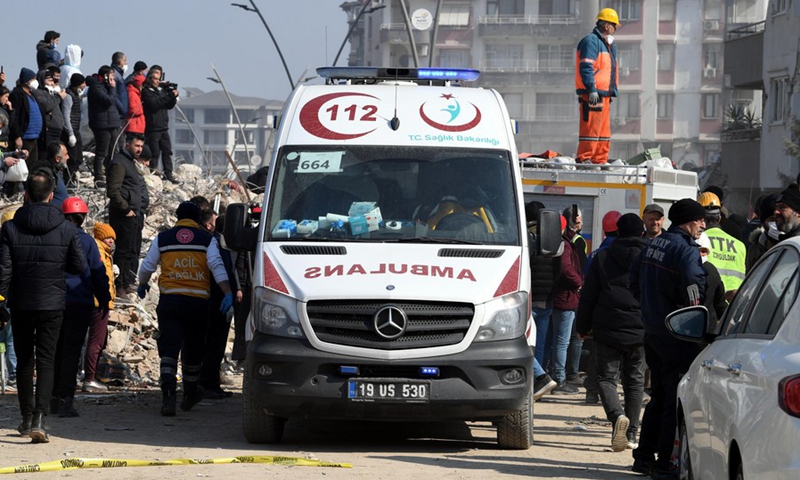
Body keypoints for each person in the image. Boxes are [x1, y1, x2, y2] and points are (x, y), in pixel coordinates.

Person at [0, 170, 87, 443]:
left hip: (22, 303)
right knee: (47, 360)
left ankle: (26, 419)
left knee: (25, 360)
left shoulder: (10, 227)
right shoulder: (67, 227)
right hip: (52, 303)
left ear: (25, 194)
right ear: (52, 195)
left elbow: (3, 270)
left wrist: (0, 302)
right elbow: (80, 266)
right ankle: (40, 418)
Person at [630, 198, 707, 479]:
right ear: (688, 221)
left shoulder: (655, 244)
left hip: (653, 331)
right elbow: (694, 290)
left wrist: (651, 310)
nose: (703, 225)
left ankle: (643, 457)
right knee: (673, 401)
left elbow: (633, 280)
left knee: (659, 397)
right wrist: (692, 319)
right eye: (700, 220)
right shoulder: (685, 251)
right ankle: (664, 462)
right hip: (677, 335)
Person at [137, 201, 233, 416]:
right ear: (198, 218)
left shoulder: (163, 238)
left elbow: (147, 267)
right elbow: (217, 267)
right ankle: (190, 392)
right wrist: (227, 292)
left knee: (169, 351)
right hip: (198, 304)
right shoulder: (207, 240)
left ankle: (168, 396)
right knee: (194, 350)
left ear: (177, 217)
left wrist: (142, 283)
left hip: (170, 302)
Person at [576, 213, 647, 452]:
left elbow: (588, 295)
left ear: (616, 232)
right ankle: (633, 433)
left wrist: (582, 327)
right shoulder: (650, 257)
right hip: (640, 328)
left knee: (607, 378)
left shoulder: (602, 257)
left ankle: (617, 417)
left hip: (608, 328)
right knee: (635, 381)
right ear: (641, 233)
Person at [53, 197, 111, 417]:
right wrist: (104, 299)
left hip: (54, 302)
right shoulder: (87, 242)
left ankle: (50, 399)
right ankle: (65, 402)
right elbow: (98, 272)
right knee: (70, 353)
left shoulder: (54, 237)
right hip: (80, 304)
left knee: (53, 352)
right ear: (83, 217)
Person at [199, 213, 240, 399]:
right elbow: (224, 269)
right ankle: (207, 384)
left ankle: (211, 383)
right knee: (214, 343)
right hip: (216, 299)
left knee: (215, 343)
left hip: (217, 299)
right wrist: (229, 292)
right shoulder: (218, 243)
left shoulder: (220, 242)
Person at [575, 8, 620, 165]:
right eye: (615, 26)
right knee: (591, 130)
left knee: (603, 132)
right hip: (593, 95)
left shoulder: (607, 45)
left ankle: (599, 160)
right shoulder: (591, 42)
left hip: (604, 95)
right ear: (607, 26)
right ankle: (585, 158)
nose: (615, 30)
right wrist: (592, 89)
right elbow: (586, 67)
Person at [525, 201, 559, 400]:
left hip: (529, 298)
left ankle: (538, 378)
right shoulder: (553, 238)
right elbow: (559, 271)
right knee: (540, 343)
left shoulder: (523, 236)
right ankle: (538, 382)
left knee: (523, 341)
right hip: (547, 299)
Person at [547, 214, 583, 394]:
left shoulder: (553, 242)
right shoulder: (565, 244)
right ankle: (559, 380)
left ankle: (552, 377)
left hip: (558, 297)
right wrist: (579, 283)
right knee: (562, 342)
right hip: (565, 298)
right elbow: (567, 268)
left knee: (554, 342)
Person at [106, 133, 145, 295]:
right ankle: (119, 285)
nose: (139, 150)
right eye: (136, 146)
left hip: (134, 214)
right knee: (122, 251)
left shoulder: (130, 163)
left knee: (132, 250)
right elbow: (113, 191)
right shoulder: (119, 163)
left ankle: (128, 282)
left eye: (141, 147)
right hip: (123, 216)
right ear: (127, 144)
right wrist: (126, 209)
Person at [83, 222, 117, 393]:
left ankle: (88, 375)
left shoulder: (102, 250)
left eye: (112, 238)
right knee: (96, 342)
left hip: (95, 301)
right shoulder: (98, 251)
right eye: (108, 237)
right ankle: (90, 378)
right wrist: (105, 299)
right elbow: (100, 277)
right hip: (98, 303)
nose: (111, 241)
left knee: (96, 341)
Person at [697, 191, 746, 300]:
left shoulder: (698, 242)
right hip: (735, 304)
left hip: (711, 304)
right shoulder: (740, 245)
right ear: (719, 218)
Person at [142, 65, 179, 183]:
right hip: (153, 127)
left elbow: (168, 105)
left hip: (163, 126)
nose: (158, 81)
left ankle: (168, 174)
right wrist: (169, 96)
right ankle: (152, 173)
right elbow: (155, 104)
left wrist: (173, 96)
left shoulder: (161, 91)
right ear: (150, 78)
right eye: (156, 79)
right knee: (154, 152)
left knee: (167, 151)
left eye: (159, 79)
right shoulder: (147, 92)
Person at [86, 65, 121, 182]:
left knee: (114, 150)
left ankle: (113, 174)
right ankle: (99, 176)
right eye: (111, 76)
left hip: (112, 123)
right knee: (102, 151)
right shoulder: (96, 87)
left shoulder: (105, 87)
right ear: (105, 76)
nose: (113, 80)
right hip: (102, 125)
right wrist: (112, 88)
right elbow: (109, 100)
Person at [695, 232, 728, 334]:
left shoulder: (711, 271)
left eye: (703, 251)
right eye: (697, 250)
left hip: (706, 329)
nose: (700, 254)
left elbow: (719, 302)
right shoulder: (679, 269)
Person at [9, 68, 43, 163]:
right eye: (33, 79)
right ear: (27, 81)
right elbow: (15, 118)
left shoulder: (32, 94)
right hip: (24, 139)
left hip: (34, 138)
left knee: (32, 168)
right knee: (22, 169)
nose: (35, 81)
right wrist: (17, 136)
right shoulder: (17, 94)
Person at [32, 67, 67, 152]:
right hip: (49, 130)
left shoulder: (51, 93)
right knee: (47, 153)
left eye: (52, 80)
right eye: (49, 80)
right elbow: (47, 106)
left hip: (57, 129)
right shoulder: (38, 92)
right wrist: (59, 97)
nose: (51, 82)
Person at [60, 73, 85, 186]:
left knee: (78, 158)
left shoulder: (76, 95)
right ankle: (68, 181)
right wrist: (70, 133)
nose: (84, 86)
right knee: (72, 158)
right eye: (82, 83)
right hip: (70, 131)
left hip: (76, 130)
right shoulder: (69, 96)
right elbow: (66, 116)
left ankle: (72, 178)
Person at [29, 141, 69, 209]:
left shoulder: (55, 171)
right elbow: (39, 201)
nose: (68, 157)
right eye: (66, 154)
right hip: (50, 215)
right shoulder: (45, 174)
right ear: (57, 159)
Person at [745, 193, 780, 270]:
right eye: (772, 220)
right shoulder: (754, 250)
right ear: (763, 222)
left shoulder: (792, 244)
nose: (777, 224)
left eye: (779, 220)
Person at [111, 52, 129, 125]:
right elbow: (113, 94)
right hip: (118, 114)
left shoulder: (119, 75)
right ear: (119, 62)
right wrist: (122, 109)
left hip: (121, 114)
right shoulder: (114, 74)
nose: (126, 63)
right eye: (124, 61)